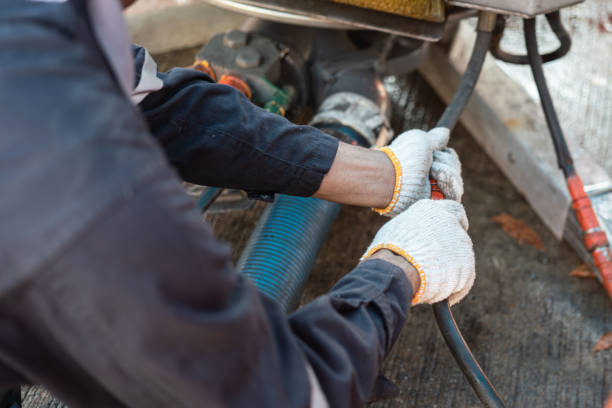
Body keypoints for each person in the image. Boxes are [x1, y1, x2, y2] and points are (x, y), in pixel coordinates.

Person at [0, 1, 475, 407]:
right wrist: (403, 266)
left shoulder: (37, 23)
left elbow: (160, 108)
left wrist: (386, 174)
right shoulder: (60, 175)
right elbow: (277, 394)